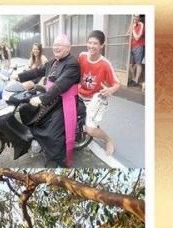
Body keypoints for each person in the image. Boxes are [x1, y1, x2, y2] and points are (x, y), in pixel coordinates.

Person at [15, 34, 81, 167]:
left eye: (59, 45)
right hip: (51, 98)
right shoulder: (53, 61)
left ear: (68, 48)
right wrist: (19, 76)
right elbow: (37, 71)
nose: (56, 47)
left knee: (52, 134)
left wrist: (41, 98)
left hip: (64, 102)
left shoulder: (72, 64)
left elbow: (60, 85)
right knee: (25, 109)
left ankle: (59, 159)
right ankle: (39, 144)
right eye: (54, 45)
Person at [77, 30, 121, 156]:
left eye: (95, 43)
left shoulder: (105, 64)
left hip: (93, 100)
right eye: (89, 42)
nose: (91, 46)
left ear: (102, 45)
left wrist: (110, 90)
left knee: (90, 130)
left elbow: (117, 84)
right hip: (78, 94)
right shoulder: (81, 56)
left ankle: (108, 140)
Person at [128, 15, 145, 87]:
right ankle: (133, 78)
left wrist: (133, 29)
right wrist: (131, 26)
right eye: (134, 16)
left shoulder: (141, 25)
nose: (135, 17)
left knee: (138, 64)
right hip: (131, 47)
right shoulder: (133, 25)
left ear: (139, 18)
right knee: (129, 64)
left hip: (138, 46)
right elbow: (128, 33)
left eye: (137, 16)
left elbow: (137, 37)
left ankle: (136, 80)